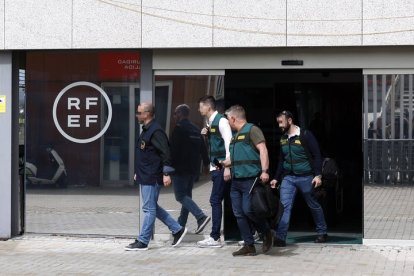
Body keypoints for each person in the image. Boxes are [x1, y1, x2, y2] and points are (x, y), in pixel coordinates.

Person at [125, 103, 187, 251]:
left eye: (139, 112)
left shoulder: (156, 131)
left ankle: (143, 241)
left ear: (147, 114)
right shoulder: (146, 130)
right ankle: (177, 230)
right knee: (153, 207)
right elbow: (146, 154)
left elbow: (166, 153)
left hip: (152, 176)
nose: (137, 115)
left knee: (148, 209)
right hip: (145, 174)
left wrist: (166, 173)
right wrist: (138, 172)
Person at [270, 110, 328, 246]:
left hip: (306, 177)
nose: (279, 125)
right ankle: (280, 237)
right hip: (288, 178)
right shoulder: (283, 138)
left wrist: (318, 175)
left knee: (313, 205)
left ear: (290, 120)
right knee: (284, 206)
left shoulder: (305, 135)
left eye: (281, 122)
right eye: (278, 122)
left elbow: (316, 155)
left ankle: (322, 232)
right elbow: (281, 160)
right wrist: (276, 178)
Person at [222, 105, 273, 256]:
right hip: (236, 180)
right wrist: (224, 164)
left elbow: (263, 149)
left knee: (248, 210)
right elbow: (236, 158)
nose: (228, 123)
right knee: (238, 213)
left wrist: (264, 171)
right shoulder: (235, 136)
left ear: (233, 118)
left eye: (228, 119)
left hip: (250, 179)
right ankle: (249, 245)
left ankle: (266, 232)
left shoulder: (252, 130)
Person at [196, 96, 232, 248]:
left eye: (201, 107)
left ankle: (215, 237)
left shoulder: (222, 121)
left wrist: (228, 167)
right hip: (215, 167)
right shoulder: (209, 122)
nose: (199, 110)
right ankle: (253, 232)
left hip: (222, 168)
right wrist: (206, 135)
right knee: (231, 201)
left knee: (215, 200)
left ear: (208, 107)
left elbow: (229, 144)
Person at [170, 104, 211, 233]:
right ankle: (180, 225)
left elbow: (173, 150)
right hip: (192, 170)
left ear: (180, 114)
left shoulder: (179, 128)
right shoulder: (195, 128)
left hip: (180, 169)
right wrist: (206, 164)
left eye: (175, 114)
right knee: (187, 197)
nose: (174, 116)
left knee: (180, 196)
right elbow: (203, 147)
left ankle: (200, 217)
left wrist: (167, 168)